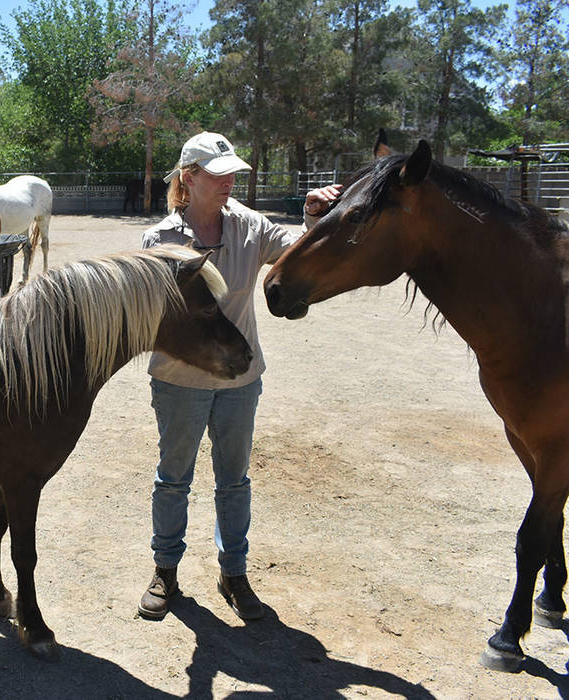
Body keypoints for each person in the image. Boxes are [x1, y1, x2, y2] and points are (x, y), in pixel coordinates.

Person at [137, 131, 340, 622]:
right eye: (218, 173)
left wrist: (314, 216)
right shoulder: (161, 239)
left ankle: (235, 572)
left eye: (233, 173)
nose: (230, 181)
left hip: (239, 381)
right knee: (173, 480)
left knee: (234, 481)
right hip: (180, 379)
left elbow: (300, 250)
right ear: (189, 178)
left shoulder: (250, 225)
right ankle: (165, 570)